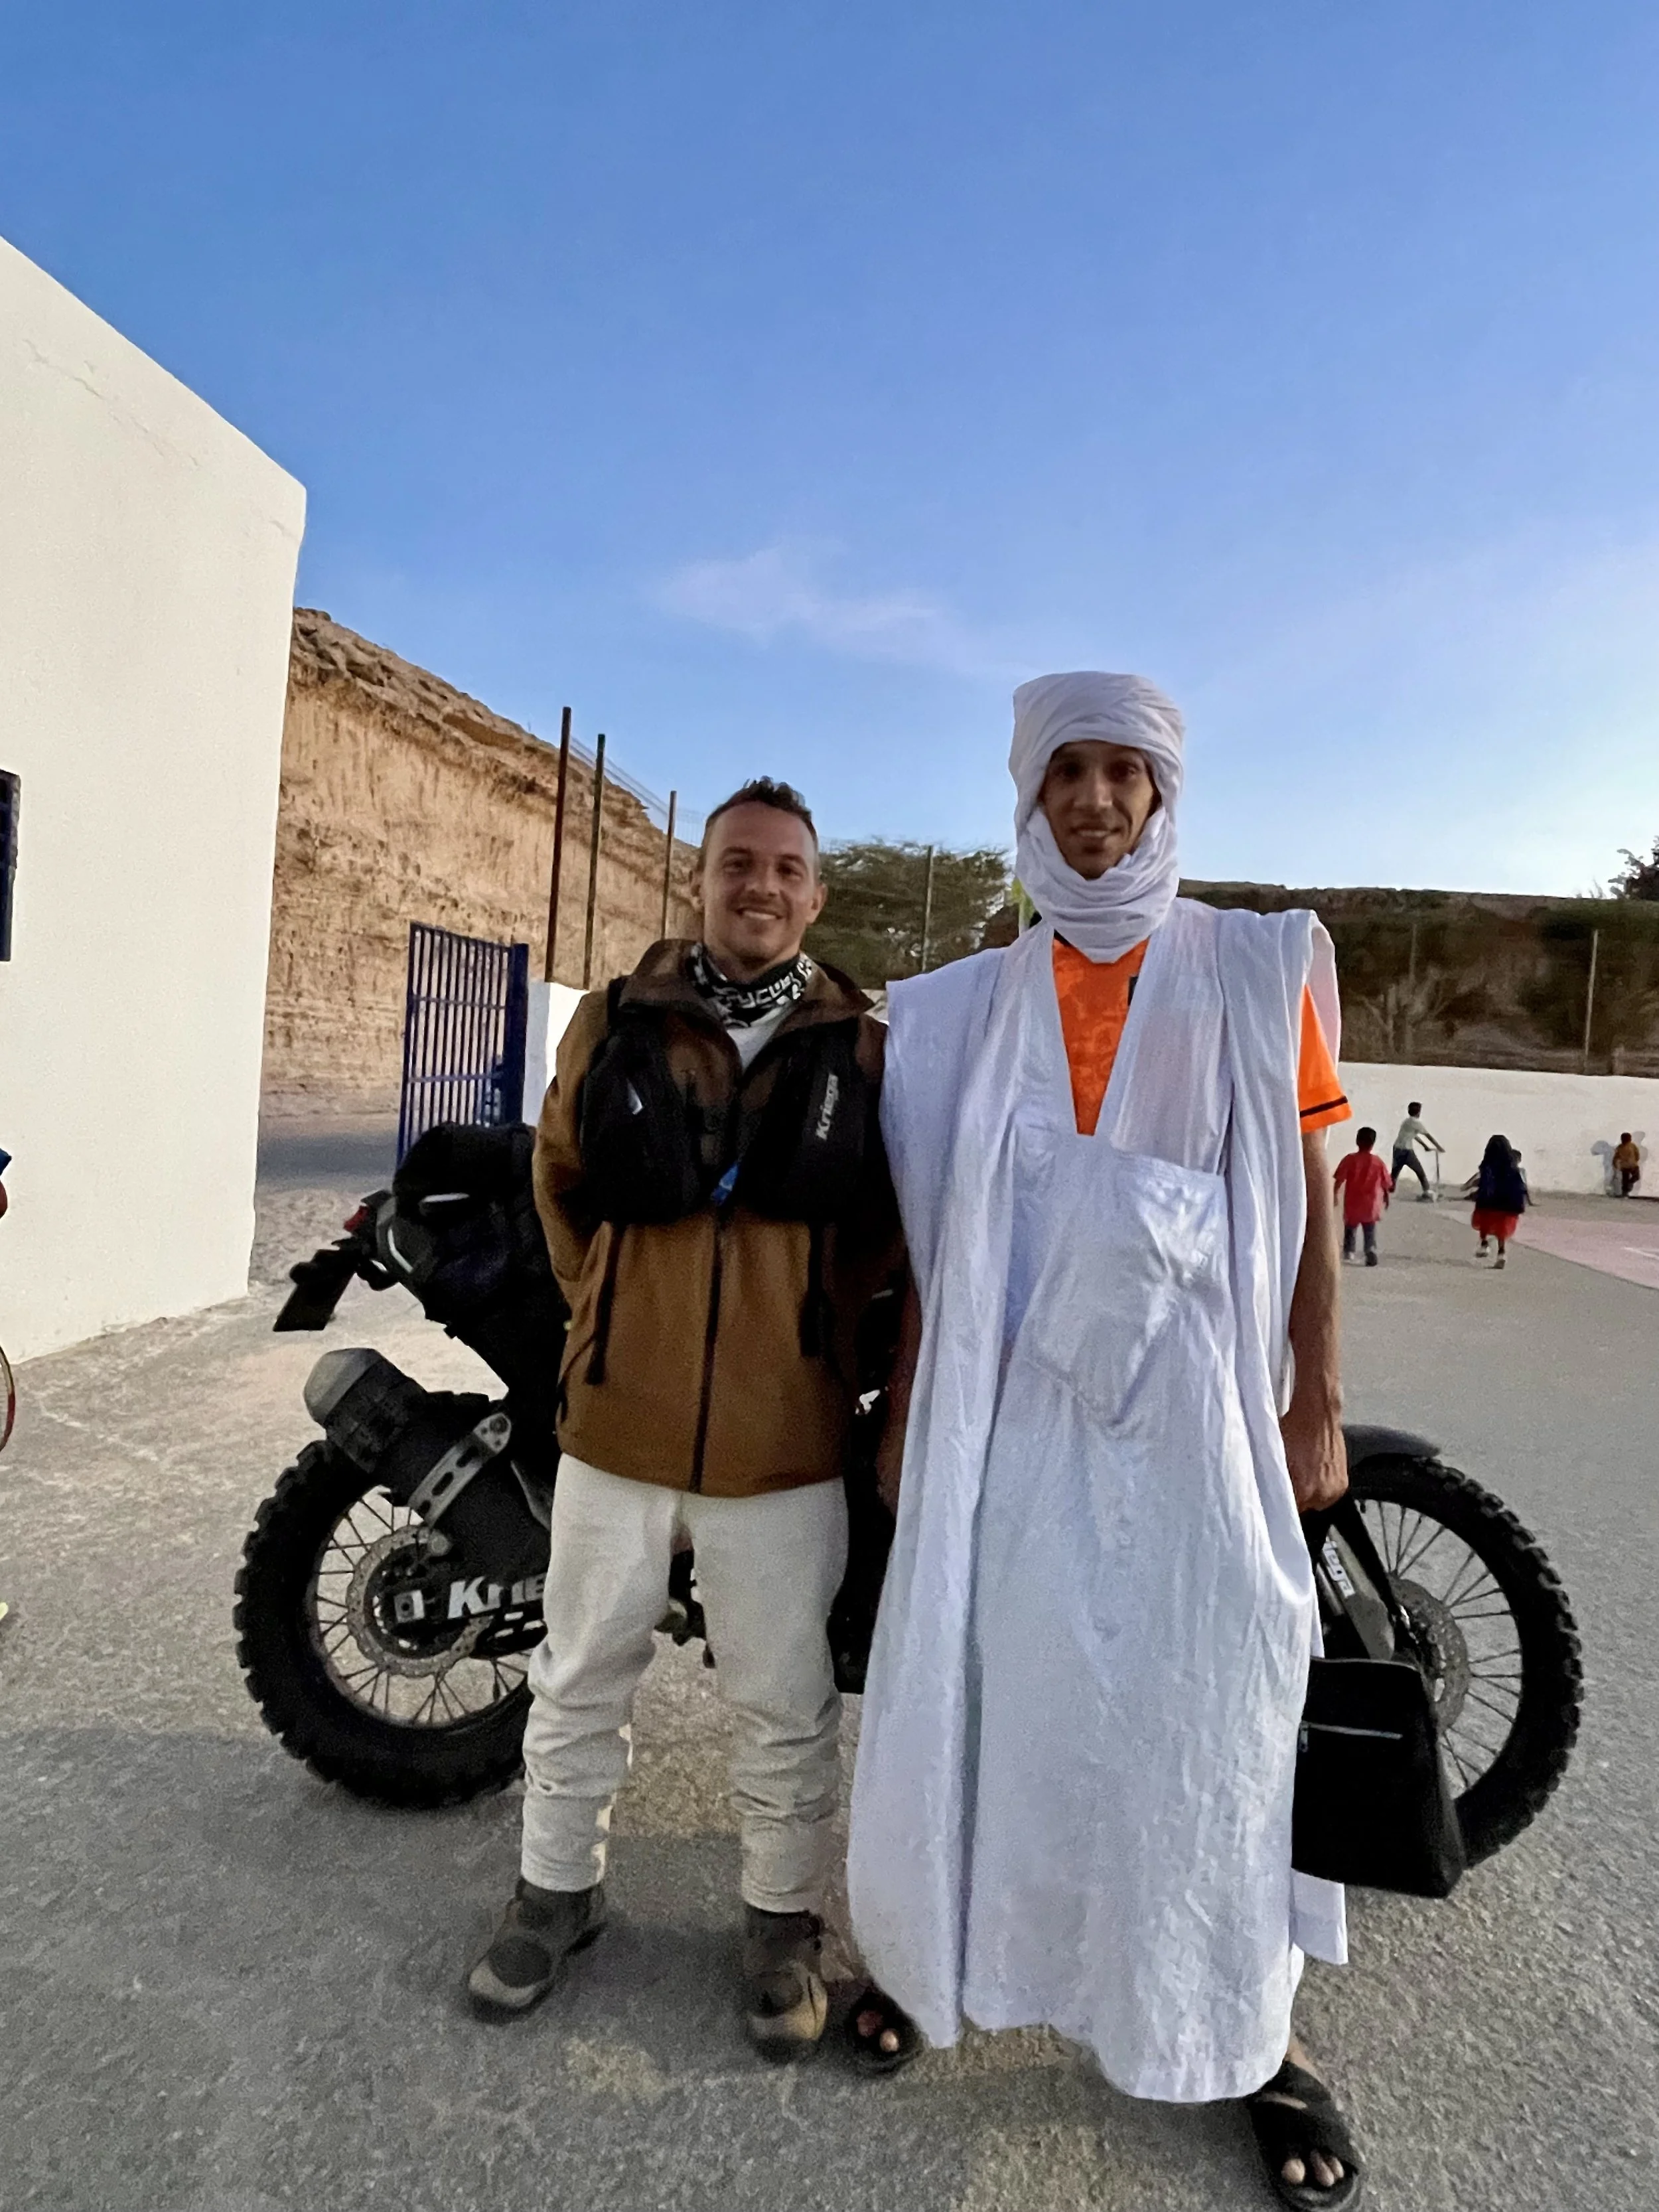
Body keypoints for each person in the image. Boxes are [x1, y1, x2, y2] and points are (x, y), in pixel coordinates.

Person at [849, 674, 1362, 2208]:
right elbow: (944, 1233)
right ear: (1028, 793)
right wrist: (911, 1403)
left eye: (1119, 772)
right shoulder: (958, 1010)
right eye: (1064, 770)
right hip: (1010, 1425)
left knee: (1210, 1714)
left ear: (1162, 795)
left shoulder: (1257, 972)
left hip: (1198, 1423)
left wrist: (1315, 1390)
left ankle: (1243, 2031)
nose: (1092, 799)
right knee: (1006, 1695)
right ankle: (949, 1955)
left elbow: (1316, 1199)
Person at [465, 778, 901, 2062]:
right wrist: (608, 1311)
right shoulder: (615, 1017)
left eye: (784, 869)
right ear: (699, 881)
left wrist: (813, 1329)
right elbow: (558, 1181)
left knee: (785, 1697)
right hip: (620, 1428)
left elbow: (883, 1226)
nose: (757, 886)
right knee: (582, 1672)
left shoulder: (864, 1046)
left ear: (815, 895)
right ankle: (557, 1889)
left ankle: (778, 1923)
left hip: (784, 1443)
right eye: (734, 865)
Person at [1465, 1134, 1528, 1268]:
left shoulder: (1488, 1166)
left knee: (1484, 1221)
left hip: (1490, 1204)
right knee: (1502, 1232)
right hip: (1508, 1206)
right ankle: (1501, 1253)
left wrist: (1473, 1194)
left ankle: (1484, 1244)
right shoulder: (1513, 1168)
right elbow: (1520, 1187)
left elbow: (1484, 1184)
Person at [1333, 1127, 1392, 1266]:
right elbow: (1386, 1183)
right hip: (1371, 1203)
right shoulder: (1378, 1162)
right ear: (1373, 1144)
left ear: (1357, 1141)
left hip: (1353, 1201)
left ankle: (1349, 1251)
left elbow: (1339, 1179)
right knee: (1369, 1228)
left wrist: (1335, 1194)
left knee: (1350, 1227)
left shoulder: (1350, 1159)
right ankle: (1370, 1249)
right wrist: (1386, 1198)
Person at [1391, 1102, 1441, 1200]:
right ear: (1419, 1112)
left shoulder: (1406, 1121)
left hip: (1397, 1149)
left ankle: (1387, 1190)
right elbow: (1428, 1136)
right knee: (1420, 1172)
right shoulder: (1417, 1123)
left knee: (1395, 1173)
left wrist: (1425, 1146)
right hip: (1406, 1151)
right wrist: (1439, 1147)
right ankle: (1427, 1192)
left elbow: (1414, 1136)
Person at [1613, 1133, 1641, 1198]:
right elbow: (1616, 1157)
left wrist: (1636, 1160)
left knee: (1636, 1177)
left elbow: (1637, 1154)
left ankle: (1628, 1186)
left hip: (1632, 1165)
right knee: (1625, 1180)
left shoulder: (1632, 1146)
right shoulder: (1620, 1148)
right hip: (1625, 1166)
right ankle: (1625, 1193)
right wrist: (1616, 1165)